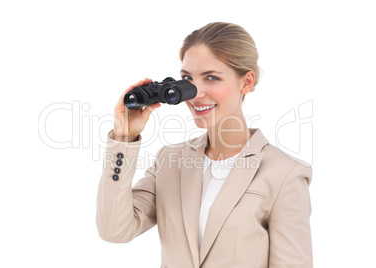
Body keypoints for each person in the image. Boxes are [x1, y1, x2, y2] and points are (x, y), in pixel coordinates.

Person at [96, 22, 313, 268]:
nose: (196, 94)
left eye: (212, 77)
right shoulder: (170, 160)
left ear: (247, 82)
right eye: (187, 79)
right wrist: (124, 138)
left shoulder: (285, 173)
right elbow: (114, 229)